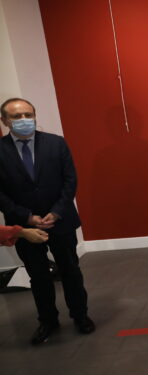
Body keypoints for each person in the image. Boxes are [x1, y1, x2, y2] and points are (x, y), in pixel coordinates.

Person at [0, 97, 95, 345]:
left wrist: (57, 211)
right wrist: (26, 217)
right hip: (23, 225)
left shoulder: (56, 143)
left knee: (70, 271)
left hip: (60, 220)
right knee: (38, 276)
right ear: (4, 121)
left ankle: (80, 315)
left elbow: (70, 180)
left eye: (28, 114)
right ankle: (48, 321)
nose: (24, 120)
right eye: (16, 116)